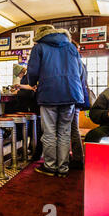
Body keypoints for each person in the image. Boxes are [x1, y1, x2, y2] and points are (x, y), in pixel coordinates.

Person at [27, 25, 84, 178]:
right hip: (71, 93)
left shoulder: (39, 48)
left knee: (50, 132)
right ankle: (63, 168)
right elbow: (80, 71)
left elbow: (32, 71)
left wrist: (33, 82)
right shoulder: (71, 47)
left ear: (40, 35)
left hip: (49, 93)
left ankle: (50, 166)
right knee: (65, 132)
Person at [69, 40, 90, 170]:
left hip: (72, 99)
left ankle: (76, 159)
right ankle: (77, 158)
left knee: (70, 130)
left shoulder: (73, 62)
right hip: (78, 99)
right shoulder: (81, 63)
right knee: (73, 130)